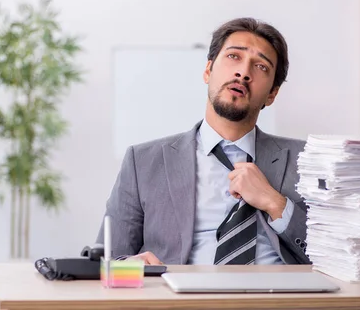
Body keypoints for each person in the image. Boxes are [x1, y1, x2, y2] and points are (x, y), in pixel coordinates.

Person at [96, 17, 310, 266]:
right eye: (234, 57)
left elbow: (344, 259)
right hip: (180, 300)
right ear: (208, 70)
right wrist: (132, 267)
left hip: (280, 301)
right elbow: (107, 261)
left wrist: (275, 203)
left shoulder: (308, 160)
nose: (243, 72)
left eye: (261, 66)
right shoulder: (142, 161)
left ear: (272, 94)